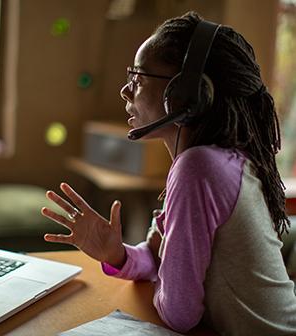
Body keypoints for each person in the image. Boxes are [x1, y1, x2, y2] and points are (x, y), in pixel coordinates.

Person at [41, 12, 296, 336]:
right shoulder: (217, 160)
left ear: (185, 96)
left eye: (138, 78)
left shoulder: (200, 169)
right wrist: (116, 254)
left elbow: (179, 314)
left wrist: (163, 276)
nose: (124, 91)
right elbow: (157, 255)